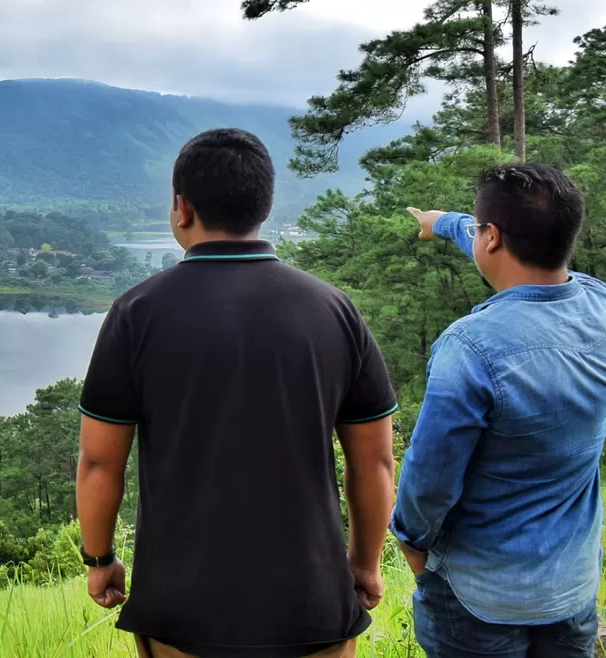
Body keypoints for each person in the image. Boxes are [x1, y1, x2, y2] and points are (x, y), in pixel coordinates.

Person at [76, 128, 398, 658]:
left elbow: (98, 465)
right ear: (263, 209)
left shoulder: (137, 313)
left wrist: (100, 559)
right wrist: (363, 564)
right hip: (313, 604)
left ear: (182, 208)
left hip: (182, 609)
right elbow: (375, 463)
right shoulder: (333, 310)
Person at [397, 163, 606, 658]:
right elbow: (512, 254)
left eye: (481, 229)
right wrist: (443, 222)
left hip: (477, 597)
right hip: (571, 586)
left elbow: (429, 477)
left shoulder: (471, 348)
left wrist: (412, 546)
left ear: (494, 238)